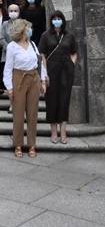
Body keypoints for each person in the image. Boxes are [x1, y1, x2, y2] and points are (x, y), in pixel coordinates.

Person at [3, 19, 47, 158]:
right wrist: (9, 88)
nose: (30, 30)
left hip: (33, 78)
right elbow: (8, 68)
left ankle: (32, 144)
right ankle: (18, 144)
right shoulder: (12, 46)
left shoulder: (33, 44)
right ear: (22, 30)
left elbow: (39, 64)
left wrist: (43, 81)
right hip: (19, 79)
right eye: (28, 28)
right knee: (18, 114)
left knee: (33, 114)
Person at [39, 11, 77, 144]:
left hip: (66, 71)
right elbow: (42, 54)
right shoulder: (45, 35)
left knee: (64, 100)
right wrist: (44, 73)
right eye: (54, 18)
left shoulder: (69, 35)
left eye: (59, 18)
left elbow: (74, 52)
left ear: (63, 20)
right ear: (51, 20)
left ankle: (63, 132)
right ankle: (54, 132)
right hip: (51, 71)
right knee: (52, 101)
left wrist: (72, 64)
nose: (56, 20)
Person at [0, 3, 22, 112]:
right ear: (8, 12)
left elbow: (26, 38)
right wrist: (9, 47)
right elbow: (2, 38)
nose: (13, 12)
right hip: (8, 54)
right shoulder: (4, 24)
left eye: (15, 10)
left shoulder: (24, 24)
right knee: (10, 82)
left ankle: (20, 104)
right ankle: (12, 104)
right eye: (11, 10)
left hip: (20, 56)